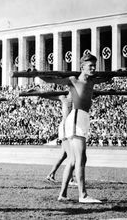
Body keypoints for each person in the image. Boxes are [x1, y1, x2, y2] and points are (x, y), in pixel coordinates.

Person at [39, 53, 111, 203]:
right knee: (81, 158)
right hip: (76, 117)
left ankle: (63, 194)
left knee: (72, 160)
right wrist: (39, 74)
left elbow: (107, 77)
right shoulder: (73, 80)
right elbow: (54, 80)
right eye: (90, 66)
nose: (93, 68)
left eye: (94, 66)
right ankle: (83, 195)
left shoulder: (92, 81)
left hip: (83, 118)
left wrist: (120, 71)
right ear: (82, 67)